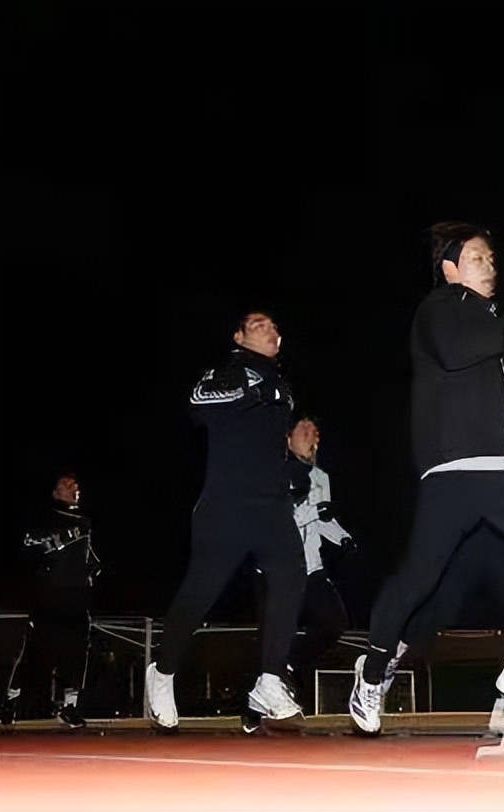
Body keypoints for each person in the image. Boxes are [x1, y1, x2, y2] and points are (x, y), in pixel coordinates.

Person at [349, 222, 504, 734]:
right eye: (477, 258)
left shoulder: (483, 318)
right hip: (454, 472)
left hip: (501, 468)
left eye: (492, 259)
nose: (489, 266)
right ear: (450, 266)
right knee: (421, 579)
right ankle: (373, 669)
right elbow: (455, 353)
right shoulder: (440, 306)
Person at [145, 311, 306, 731]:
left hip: (272, 507)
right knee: (201, 592)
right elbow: (198, 402)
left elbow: (267, 445)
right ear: (238, 336)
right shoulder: (230, 372)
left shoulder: (282, 386)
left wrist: (296, 470)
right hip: (226, 505)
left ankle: (269, 681)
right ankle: (162, 671)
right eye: (259, 324)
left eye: (274, 325)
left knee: (291, 576)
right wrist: (254, 389)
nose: (271, 329)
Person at [243, 416, 352, 731]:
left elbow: (322, 518)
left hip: (310, 568)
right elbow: (279, 520)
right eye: (304, 430)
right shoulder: (274, 473)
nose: (312, 435)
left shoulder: (321, 477)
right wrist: (314, 511)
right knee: (271, 635)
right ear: (288, 439)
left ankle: (290, 664)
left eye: (315, 432)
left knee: (334, 622)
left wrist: (342, 536)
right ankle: (252, 709)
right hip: (274, 570)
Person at [2, 472, 99, 727]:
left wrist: (94, 570)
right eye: (66, 484)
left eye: (75, 483)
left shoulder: (86, 521)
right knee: (34, 652)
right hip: (49, 596)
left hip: (77, 598)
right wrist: (64, 538)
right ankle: (11, 701)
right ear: (55, 493)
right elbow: (28, 547)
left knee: (76, 653)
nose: (73, 486)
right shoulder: (45, 517)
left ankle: (69, 707)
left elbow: (91, 556)